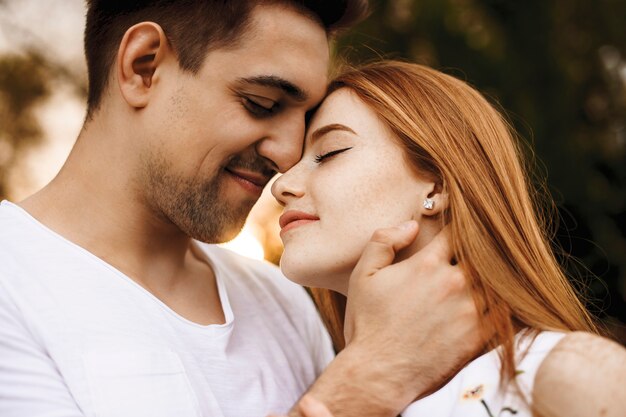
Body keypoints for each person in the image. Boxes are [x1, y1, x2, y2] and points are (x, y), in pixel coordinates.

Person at [0, 2, 483, 417]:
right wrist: (366, 382)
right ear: (143, 67)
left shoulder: (280, 300)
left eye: (309, 122)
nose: (290, 154)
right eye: (262, 103)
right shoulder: (13, 285)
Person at [272, 60, 626, 417]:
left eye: (329, 152)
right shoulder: (321, 390)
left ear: (438, 184)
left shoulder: (566, 372)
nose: (281, 185)